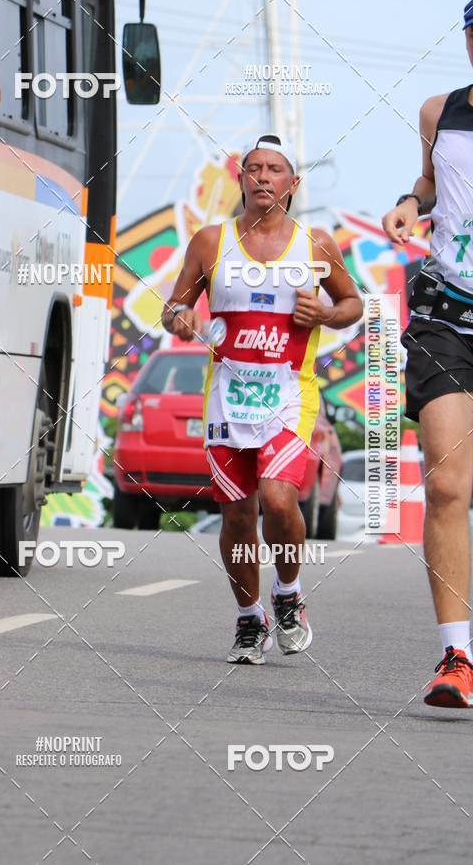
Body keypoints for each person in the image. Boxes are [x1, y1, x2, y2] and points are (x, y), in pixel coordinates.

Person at [162, 135, 362, 664]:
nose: (263, 177)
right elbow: (174, 307)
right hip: (226, 400)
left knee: (277, 499)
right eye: (253, 168)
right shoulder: (211, 242)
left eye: (274, 169)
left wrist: (325, 315)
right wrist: (181, 319)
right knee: (236, 516)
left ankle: (288, 593)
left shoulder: (315, 245)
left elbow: (353, 303)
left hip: (289, 396)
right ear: (241, 179)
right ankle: (250, 619)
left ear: (292, 184)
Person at [382, 0, 473, 707]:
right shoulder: (438, 111)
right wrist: (412, 204)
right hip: (447, 313)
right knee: (445, 486)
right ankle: (457, 658)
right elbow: (432, 184)